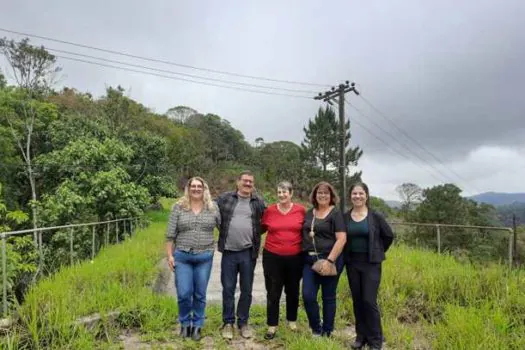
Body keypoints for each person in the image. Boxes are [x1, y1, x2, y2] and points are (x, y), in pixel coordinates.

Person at [166, 177, 220, 341]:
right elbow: (170, 234)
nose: (196, 189)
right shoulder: (178, 207)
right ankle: (184, 323)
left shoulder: (212, 207)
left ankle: (197, 325)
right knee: (183, 293)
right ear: (188, 188)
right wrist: (169, 255)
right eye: (193, 186)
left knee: (200, 294)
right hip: (182, 256)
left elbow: (223, 227)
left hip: (204, 257)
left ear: (204, 189)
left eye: (199, 186)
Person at [344, 182, 394, 350]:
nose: (357, 196)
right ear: (350, 196)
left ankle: (375, 340)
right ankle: (361, 337)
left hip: (371, 263)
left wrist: (377, 250)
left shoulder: (375, 216)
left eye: (360, 193)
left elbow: (388, 235)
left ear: (366, 195)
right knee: (357, 301)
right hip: (352, 263)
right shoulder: (345, 216)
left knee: (369, 301)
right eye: (354, 193)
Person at [216, 170, 266, 339]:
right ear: (238, 182)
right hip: (229, 252)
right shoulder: (225, 199)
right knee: (228, 289)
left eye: (250, 182)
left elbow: (266, 222)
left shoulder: (258, 202)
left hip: (248, 253)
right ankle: (228, 323)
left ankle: (243, 322)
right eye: (245, 181)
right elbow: (210, 210)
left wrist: (255, 234)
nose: (247, 184)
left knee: (246, 290)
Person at [261, 181, 306, 340]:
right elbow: (260, 229)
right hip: (272, 257)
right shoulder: (270, 211)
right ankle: (272, 325)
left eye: (284, 192)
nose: (281, 195)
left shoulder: (301, 211)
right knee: (273, 291)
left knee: (292, 291)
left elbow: (308, 231)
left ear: (291, 193)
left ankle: (291, 321)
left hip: (295, 257)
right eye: (279, 192)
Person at [302, 181, 347, 337]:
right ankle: (316, 328)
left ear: (331, 196)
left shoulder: (336, 214)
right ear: (315, 195)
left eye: (325, 193)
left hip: (331, 259)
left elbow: (341, 239)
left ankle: (327, 331)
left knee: (328, 296)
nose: (322, 195)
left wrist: (329, 261)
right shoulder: (309, 213)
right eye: (319, 193)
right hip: (310, 261)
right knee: (308, 295)